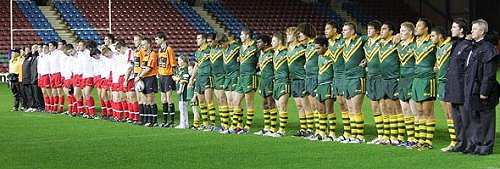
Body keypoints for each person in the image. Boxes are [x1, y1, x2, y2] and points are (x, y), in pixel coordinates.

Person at [463, 19, 499, 156]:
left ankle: (487, 146)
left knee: (486, 119)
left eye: (475, 29)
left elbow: (489, 73)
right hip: (472, 89)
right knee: (475, 118)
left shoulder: (488, 48)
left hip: (483, 91)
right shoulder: (474, 47)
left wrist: (484, 91)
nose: (471, 31)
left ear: (482, 31)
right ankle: (478, 144)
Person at [444, 18, 472, 153]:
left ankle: (469, 144)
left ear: (461, 30)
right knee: (456, 117)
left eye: (454, 27)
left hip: (462, 87)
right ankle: (460, 143)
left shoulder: (467, 45)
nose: (451, 29)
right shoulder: (454, 44)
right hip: (453, 86)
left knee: (465, 116)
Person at [373, 21, 403, 145]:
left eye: (384, 29)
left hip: (394, 79)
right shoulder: (380, 43)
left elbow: (406, 38)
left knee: (396, 109)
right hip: (383, 79)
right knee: (385, 108)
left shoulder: (395, 41)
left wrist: (398, 36)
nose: (381, 31)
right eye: (381, 29)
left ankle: (399, 136)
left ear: (391, 32)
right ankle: (388, 135)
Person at [409, 18, 437, 150]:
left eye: (419, 26)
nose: (416, 28)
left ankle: (428, 141)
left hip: (427, 79)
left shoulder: (432, 42)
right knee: (418, 111)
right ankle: (420, 140)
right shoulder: (414, 43)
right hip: (416, 79)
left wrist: (437, 65)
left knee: (427, 111)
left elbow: (443, 52)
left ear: (426, 29)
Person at [340, 22, 367, 144]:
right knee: (350, 108)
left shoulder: (360, 40)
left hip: (357, 77)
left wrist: (367, 59)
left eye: (345, 30)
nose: (343, 32)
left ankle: (360, 136)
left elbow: (374, 40)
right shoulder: (344, 43)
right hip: (347, 78)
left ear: (352, 32)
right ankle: (353, 134)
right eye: (343, 30)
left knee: (356, 108)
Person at [430, 26, 456, 152]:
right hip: (440, 83)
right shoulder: (438, 49)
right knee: (447, 114)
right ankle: (454, 141)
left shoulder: (450, 45)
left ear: (440, 35)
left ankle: (456, 141)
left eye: (433, 36)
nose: (431, 38)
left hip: (448, 83)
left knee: (451, 114)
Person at [362, 20, 385, 144]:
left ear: (377, 31)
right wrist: (365, 61)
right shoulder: (366, 44)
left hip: (380, 77)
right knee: (374, 107)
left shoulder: (381, 42)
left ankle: (387, 135)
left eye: (371, 29)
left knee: (383, 106)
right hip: (370, 77)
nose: (368, 31)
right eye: (368, 29)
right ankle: (380, 134)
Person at [285, 27, 310, 137]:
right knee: (299, 106)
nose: (287, 36)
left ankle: (310, 128)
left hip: (302, 79)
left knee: (306, 106)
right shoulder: (288, 49)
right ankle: (303, 128)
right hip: (294, 80)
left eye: (289, 34)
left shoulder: (302, 48)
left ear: (295, 36)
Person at [397, 22, 418, 147]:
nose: (401, 33)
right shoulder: (399, 46)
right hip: (402, 80)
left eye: (404, 30)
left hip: (412, 79)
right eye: (400, 30)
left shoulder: (415, 45)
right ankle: (410, 138)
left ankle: (417, 138)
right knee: (405, 110)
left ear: (411, 33)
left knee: (414, 110)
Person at [309, 36, 334, 141]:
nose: (316, 51)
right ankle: (322, 133)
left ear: (324, 46)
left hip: (329, 84)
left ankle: (332, 133)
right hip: (320, 84)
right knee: (320, 109)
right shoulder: (319, 57)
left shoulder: (332, 56)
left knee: (329, 110)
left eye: (318, 48)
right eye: (315, 48)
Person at [265, 32, 290, 138]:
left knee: (282, 106)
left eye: (274, 41)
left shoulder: (286, 52)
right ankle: (277, 129)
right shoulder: (273, 53)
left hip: (284, 81)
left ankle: (282, 130)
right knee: (279, 107)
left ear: (280, 41)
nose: (271, 42)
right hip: (276, 82)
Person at [324, 22, 345, 141]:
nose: (325, 31)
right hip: (334, 77)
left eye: (328, 29)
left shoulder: (342, 41)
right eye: (325, 29)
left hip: (343, 76)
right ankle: (337, 133)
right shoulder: (329, 43)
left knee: (345, 105)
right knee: (340, 104)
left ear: (335, 30)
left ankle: (351, 133)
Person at [297, 23, 319, 137]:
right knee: (313, 106)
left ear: (306, 33)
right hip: (309, 78)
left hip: (316, 78)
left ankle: (321, 130)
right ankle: (314, 130)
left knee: (317, 106)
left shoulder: (316, 44)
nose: (298, 36)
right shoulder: (308, 47)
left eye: (300, 33)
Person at [188, 33, 213, 130]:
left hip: (207, 77)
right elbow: (196, 66)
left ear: (204, 40)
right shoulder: (197, 52)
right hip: (199, 78)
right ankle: (205, 123)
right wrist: (192, 79)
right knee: (201, 101)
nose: (196, 40)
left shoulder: (209, 50)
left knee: (209, 100)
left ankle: (213, 123)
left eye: (198, 38)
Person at [253, 34, 276, 136]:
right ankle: (266, 127)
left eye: (259, 42)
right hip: (263, 80)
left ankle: (273, 128)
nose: (258, 44)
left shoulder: (272, 52)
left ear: (265, 43)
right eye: (257, 42)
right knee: (264, 104)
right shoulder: (260, 53)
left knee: (271, 103)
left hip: (271, 79)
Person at [135, 38, 159, 127]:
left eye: (144, 44)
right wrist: (139, 76)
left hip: (150, 78)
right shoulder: (145, 55)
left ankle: (154, 121)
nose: (142, 46)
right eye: (141, 44)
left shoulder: (152, 54)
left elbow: (149, 68)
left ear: (149, 45)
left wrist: (139, 77)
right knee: (145, 100)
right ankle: (148, 119)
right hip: (144, 78)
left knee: (151, 100)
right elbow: (142, 67)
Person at [155, 32, 177, 127]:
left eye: (157, 39)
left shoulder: (169, 49)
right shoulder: (160, 50)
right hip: (162, 76)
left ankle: (171, 121)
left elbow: (173, 64)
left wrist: (173, 75)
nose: (156, 41)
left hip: (168, 76)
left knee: (169, 98)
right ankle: (164, 120)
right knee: (163, 99)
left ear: (162, 39)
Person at [220, 33, 240, 133]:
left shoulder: (235, 47)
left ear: (226, 41)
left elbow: (244, 50)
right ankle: (234, 124)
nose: (220, 45)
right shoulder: (224, 49)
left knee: (235, 101)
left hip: (235, 75)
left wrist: (240, 57)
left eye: (221, 43)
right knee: (229, 101)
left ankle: (236, 125)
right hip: (227, 76)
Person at [173, 54, 190, 129]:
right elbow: (175, 76)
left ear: (184, 61)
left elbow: (183, 81)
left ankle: (183, 123)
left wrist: (180, 90)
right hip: (179, 91)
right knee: (181, 107)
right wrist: (177, 78)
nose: (178, 62)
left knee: (183, 107)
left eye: (180, 60)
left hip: (183, 92)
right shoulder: (179, 69)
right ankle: (184, 123)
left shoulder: (185, 69)